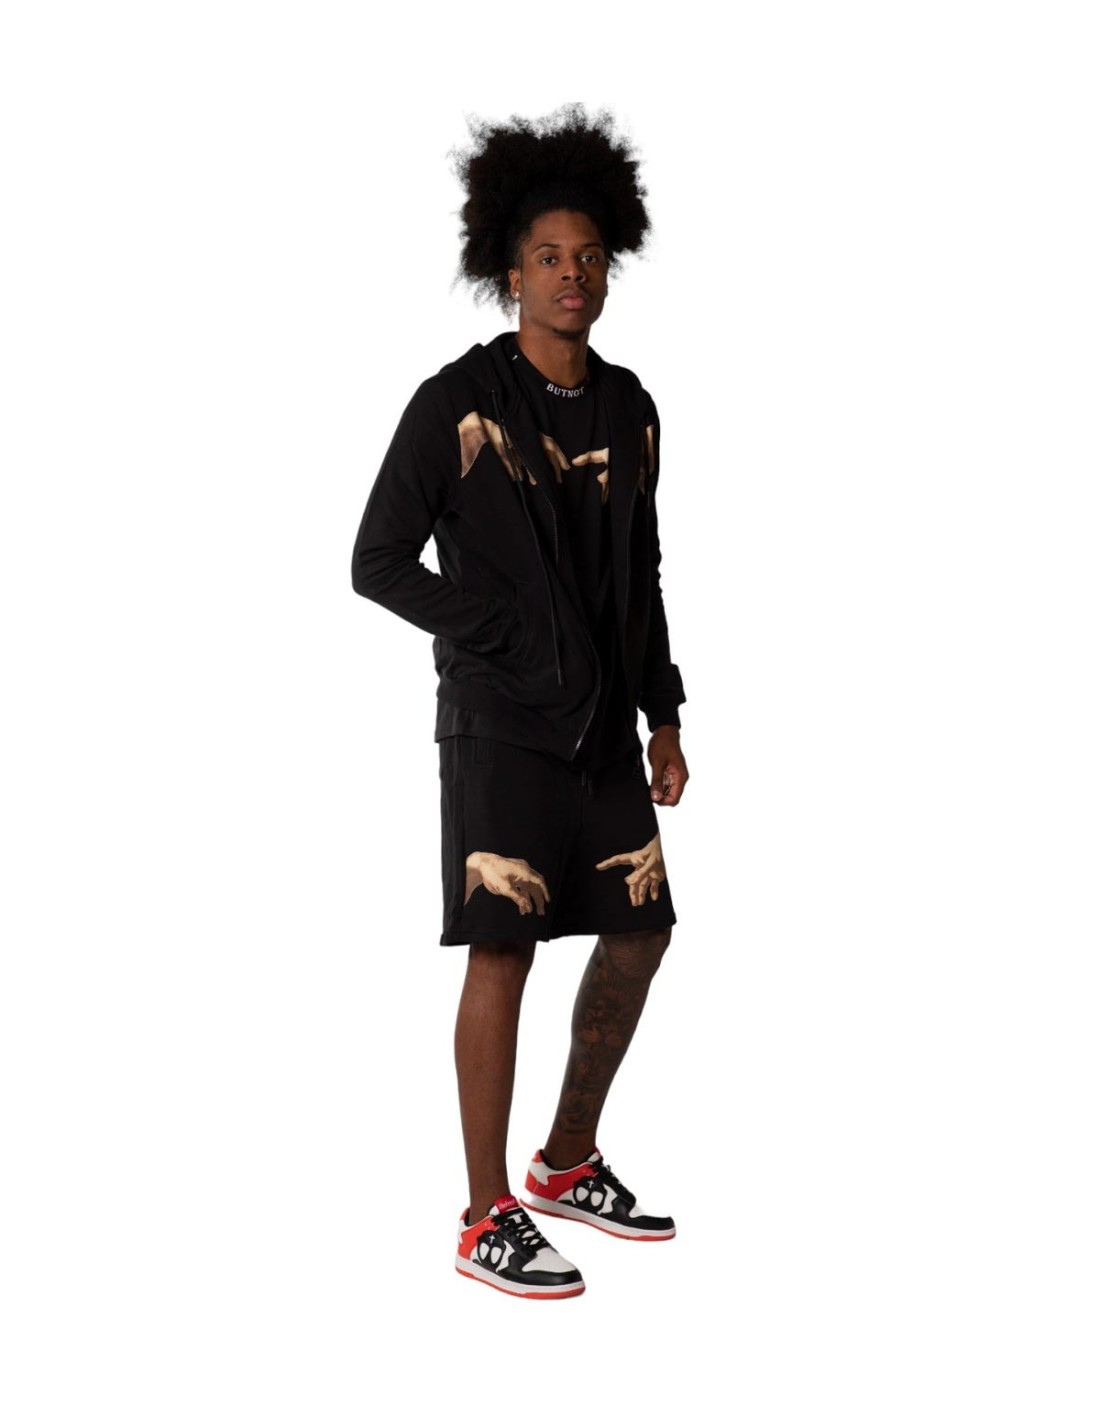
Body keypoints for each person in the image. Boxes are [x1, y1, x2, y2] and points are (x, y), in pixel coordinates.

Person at [351, 103, 689, 1300]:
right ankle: (483, 1210)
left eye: (588, 257)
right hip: (497, 722)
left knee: (639, 932)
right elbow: (376, 561)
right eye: (548, 257)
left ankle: (564, 1159)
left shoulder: (630, 408)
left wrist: (662, 713)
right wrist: (498, 631)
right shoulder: (455, 401)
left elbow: (639, 570)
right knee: (502, 945)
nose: (570, 276)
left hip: (603, 724)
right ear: (509, 274)